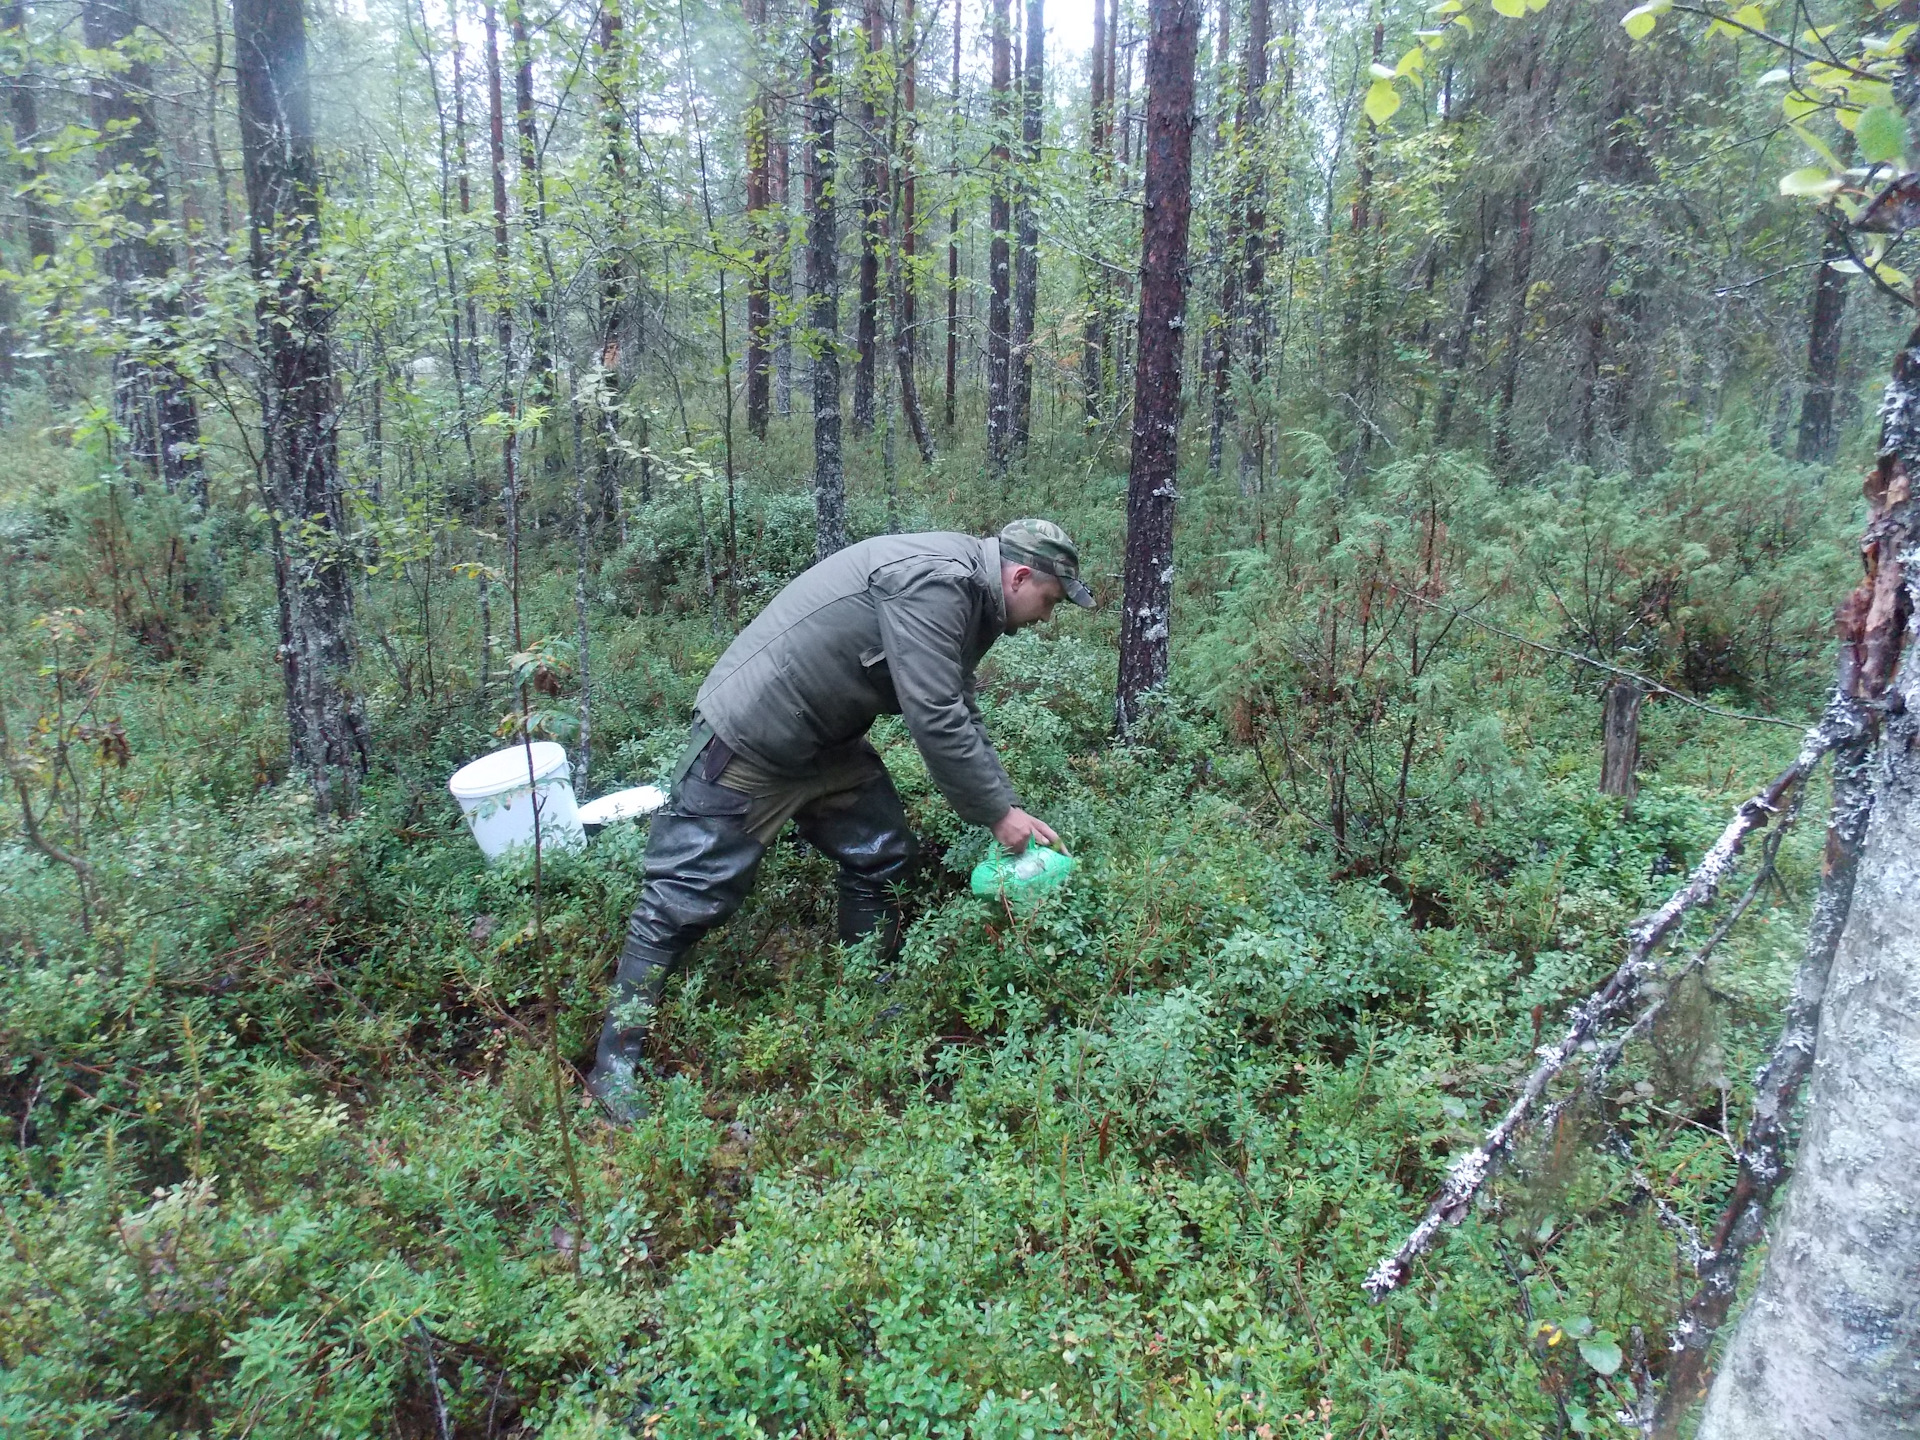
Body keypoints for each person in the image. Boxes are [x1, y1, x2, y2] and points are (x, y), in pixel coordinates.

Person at [587, 518, 1097, 1122]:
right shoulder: (938, 583)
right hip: (753, 738)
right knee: (680, 897)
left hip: (827, 743)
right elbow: (934, 716)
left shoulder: (969, 593)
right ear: (1019, 576)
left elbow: (956, 702)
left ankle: (865, 993)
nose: (1046, 617)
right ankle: (613, 1068)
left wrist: (1004, 803)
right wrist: (996, 815)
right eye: (1050, 600)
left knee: (881, 856)